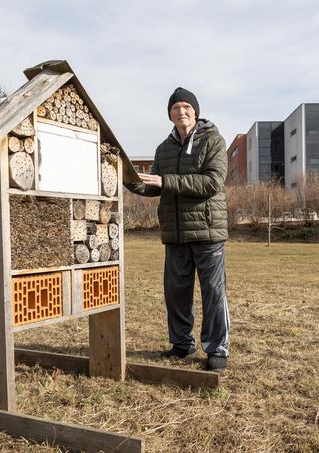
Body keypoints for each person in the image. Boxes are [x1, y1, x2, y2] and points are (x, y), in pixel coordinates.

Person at [126, 87, 230, 372]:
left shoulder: (213, 141)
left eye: (186, 107)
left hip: (208, 230)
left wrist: (166, 181)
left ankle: (217, 348)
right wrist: (126, 177)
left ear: (195, 111)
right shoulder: (164, 148)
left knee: (213, 292)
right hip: (174, 232)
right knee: (176, 293)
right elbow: (153, 186)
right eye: (175, 108)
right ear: (170, 115)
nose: (180, 112)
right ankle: (182, 345)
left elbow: (212, 183)